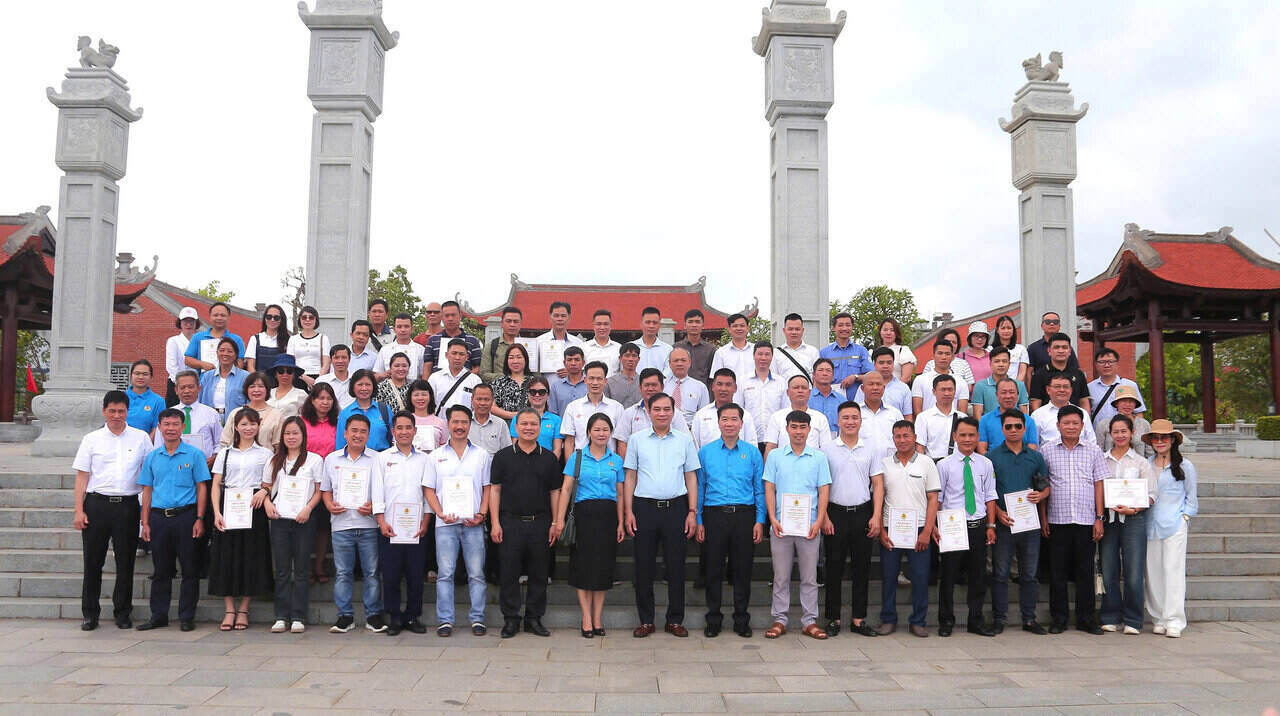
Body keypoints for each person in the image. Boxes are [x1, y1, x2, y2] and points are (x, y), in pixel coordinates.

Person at [623, 392, 700, 638]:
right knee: (643, 567)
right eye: (657, 409)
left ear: (673, 412)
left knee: (676, 566)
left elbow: (691, 477)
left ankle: (674, 619)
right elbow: (630, 477)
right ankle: (646, 620)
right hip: (644, 508)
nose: (662, 413)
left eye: (667, 409)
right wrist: (628, 511)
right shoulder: (636, 440)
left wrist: (691, 511)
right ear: (649, 411)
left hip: (676, 508)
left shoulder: (684, 440)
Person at [73, 391, 151, 630]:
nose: (117, 416)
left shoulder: (141, 438)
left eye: (121, 411)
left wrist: (145, 517)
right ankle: (90, 613)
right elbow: (82, 477)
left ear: (128, 412)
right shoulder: (91, 439)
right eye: (112, 411)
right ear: (104, 411)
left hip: (127, 506)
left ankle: (123, 612)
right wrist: (79, 510)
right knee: (92, 562)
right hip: (97, 505)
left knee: (126, 562)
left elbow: (148, 478)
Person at [490, 408, 563, 638]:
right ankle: (511, 619)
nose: (529, 428)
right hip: (509, 522)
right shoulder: (503, 457)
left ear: (540, 428)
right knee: (509, 573)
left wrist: (555, 522)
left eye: (533, 424)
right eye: (524, 424)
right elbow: (495, 490)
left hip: (540, 523)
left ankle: (534, 618)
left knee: (539, 573)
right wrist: (494, 522)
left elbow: (555, 492)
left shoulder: (549, 458)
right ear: (516, 427)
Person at [136, 408, 211, 631]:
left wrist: (199, 518)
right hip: (159, 518)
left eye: (175, 424)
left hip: (186, 517)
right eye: (166, 424)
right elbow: (147, 490)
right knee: (161, 570)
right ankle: (158, 615)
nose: (170, 428)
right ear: (159, 427)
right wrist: (145, 522)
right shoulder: (152, 457)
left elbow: (201, 488)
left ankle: (187, 616)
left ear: (182, 427)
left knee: (190, 569)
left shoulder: (194, 455)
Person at [695, 402, 765, 638]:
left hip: (744, 515)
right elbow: (701, 488)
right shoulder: (706, 452)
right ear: (718, 423)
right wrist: (699, 519)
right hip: (714, 515)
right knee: (713, 568)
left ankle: (741, 619)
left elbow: (759, 489)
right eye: (725, 419)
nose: (729, 423)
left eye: (734, 419)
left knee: (742, 569)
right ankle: (713, 618)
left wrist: (759, 519)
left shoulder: (752, 452)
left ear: (741, 423)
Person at [424, 405, 493, 637]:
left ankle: (477, 618)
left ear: (470, 424)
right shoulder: (436, 456)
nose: (460, 426)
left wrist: (482, 514)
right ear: (448, 424)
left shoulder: (481, 455)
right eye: (455, 422)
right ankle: (445, 620)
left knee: (476, 573)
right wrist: (440, 513)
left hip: (473, 524)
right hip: (445, 525)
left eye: (464, 422)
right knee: (445, 573)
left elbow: (487, 488)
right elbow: (429, 490)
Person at [763, 410, 831, 640]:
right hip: (781, 525)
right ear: (787, 428)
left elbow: (823, 491)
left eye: (803, 427)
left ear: (809, 430)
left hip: (809, 526)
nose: (798, 431)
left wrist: (820, 520)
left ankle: (809, 620)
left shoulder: (819, 457)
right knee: (781, 576)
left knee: (809, 577)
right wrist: (772, 518)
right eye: (794, 427)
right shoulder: (775, 456)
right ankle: (780, 619)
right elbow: (769, 488)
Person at [1040, 405, 1108, 634]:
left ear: (1082, 426)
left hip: (1085, 519)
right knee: (1057, 572)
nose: (1070, 427)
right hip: (1057, 519)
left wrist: (1099, 517)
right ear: (1058, 425)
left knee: (1084, 571)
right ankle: (1059, 618)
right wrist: (1044, 518)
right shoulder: (1046, 450)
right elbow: (1043, 486)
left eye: (1075, 423)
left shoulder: (1093, 450)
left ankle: (1086, 618)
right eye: (1066, 423)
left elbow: (1099, 483)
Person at [556, 413, 625, 637]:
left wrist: (621, 522)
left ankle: (598, 618)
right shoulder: (576, 458)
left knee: (603, 568)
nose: (601, 433)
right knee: (583, 567)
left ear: (611, 433)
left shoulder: (616, 460)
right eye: (597, 429)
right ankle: (586, 617)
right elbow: (566, 489)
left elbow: (621, 493)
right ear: (588, 432)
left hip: (608, 517)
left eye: (605, 429)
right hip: (583, 517)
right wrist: (559, 519)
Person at [821, 402, 884, 637]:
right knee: (833, 567)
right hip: (834, 513)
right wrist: (824, 515)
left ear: (860, 420)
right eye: (845, 417)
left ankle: (859, 619)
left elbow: (878, 483)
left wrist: (876, 515)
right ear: (838, 420)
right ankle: (833, 618)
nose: (850, 421)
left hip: (862, 512)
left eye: (854, 417)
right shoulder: (827, 448)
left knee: (862, 568)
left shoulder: (872, 448)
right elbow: (822, 485)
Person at [208, 408, 274, 631]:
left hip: (253, 507)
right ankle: (229, 609)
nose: (249, 428)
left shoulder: (265, 454)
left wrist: (264, 492)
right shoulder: (226, 453)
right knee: (226, 557)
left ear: (259, 426)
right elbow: (216, 483)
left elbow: (270, 482)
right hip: (229, 506)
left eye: (253, 424)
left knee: (251, 557)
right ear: (236, 426)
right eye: (244, 424)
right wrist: (216, 512)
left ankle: (244, 608)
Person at [321, 414, 386, 633]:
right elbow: (326, 490)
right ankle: (345, 616)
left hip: (369, 525)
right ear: (345, 433)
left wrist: (374, 506)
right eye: (354, 431)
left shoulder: (378, 459)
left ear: (369, 435)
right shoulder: (332, 460)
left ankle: (374, 615)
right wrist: (329, 505)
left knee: (372, 572)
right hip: (341, 525)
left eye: (363, 431)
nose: (358, 435)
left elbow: (383, 490)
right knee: (343, 573)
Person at [933, 417, 998, 637]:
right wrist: (937, 525)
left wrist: (991, 524)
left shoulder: (985, 464)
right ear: (955, 437)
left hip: (978, 525)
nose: (967, 439)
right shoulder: (944, 465)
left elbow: (990, 496)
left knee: (978, 576)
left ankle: (975, 620)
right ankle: (946, 620)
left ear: (977, 436)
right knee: (949, 576)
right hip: (953, 526)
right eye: (963, 435)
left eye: (971, 435)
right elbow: (939, 498)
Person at [987, 409, 1050, 634]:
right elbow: (987, 492)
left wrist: (1041, 496)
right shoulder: (992, 457)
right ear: (1002, 429)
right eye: (1008, 426)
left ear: (1024, 428)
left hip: (1030, 523)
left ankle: (1029, 619)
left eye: (1018, 426)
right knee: (1001, 573)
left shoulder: (1035, 456)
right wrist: (997, 514)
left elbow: (1045, 485)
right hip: (1005, 522)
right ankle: (999, 619)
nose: (1013, 430)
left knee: (1029, 574)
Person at [876, 420, 939, 637]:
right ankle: (888, 618)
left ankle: (918, 620)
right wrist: (882, 531)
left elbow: (933, 498)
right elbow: (879, 497)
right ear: (893, 438)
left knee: (920, 577)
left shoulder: (927, 463)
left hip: (920, 527)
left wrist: (927, 531)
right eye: (898, 436)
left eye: (906, 435)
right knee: (889, 576)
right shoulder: (883, 464)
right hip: (890, 527)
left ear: (914, 437)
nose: (902, 440)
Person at [262, 416, 324, 633]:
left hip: (303, 519)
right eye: (287, 433)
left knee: (301, 569)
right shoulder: (273, 461)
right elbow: (266, 488)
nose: (291, 437)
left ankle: (298, 616)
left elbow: (319, 491)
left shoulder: (314, 460)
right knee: (281, 569)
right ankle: (281, 616)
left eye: (295, 433)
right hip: (279, 519)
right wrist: (267, 504)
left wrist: (308, 508)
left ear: (303, 436)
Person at [372, 412, 432, 636]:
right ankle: (394, 616)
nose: (404, 431)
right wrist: (380, 520)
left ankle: (413, 616)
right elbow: (377, 490)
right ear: (393, 431)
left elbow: (428, 493)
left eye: (408, 427)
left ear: (415, 430)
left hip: (417, 526)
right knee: (391, 573)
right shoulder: (382, 458)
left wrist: (426, 521)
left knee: (416, 574)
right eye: (400, 428)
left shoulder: (425, 459)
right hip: (390, 526)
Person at [1099, 414, 1158, 635]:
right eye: (1116, 431)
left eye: (1124, 431)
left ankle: (1133, 619)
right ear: (1110, 434)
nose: (1120, 435)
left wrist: (1135, 509)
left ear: (1131, 433)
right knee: (1109, 571)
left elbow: (1151, 494)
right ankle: (1110, 616)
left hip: (1134, 520)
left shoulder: (1141, 462)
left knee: (1133, 573)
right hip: (1110, 521)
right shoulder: (1102, 459)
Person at [1143, 419, 1198, 638]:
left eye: (1164, 438)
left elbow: (1192, 499)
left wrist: (1184, 518)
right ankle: (1158, 617)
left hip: (1175, 524)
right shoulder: (1145, 464)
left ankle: (1174, 619)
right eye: (1155, 438)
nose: (1159, 442)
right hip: (1149, 525)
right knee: (1153, 572)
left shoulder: (1185, 466)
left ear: (1173, 440)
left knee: (1173, 571)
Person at [301, 383, 339, 585]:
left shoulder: (338, 423)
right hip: (307, 481)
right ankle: (305, 566)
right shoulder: (303, 422)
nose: (325, 402)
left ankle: (319, 565)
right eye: (321, 398)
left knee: (324, 527)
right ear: (312, 400)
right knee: (306, 526)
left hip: (330, 482)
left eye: (329, 398)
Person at [615, 368, 691, 458]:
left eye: (654, 385)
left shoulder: (675, 413)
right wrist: (629, 469)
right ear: (640, 388)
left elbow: (685, 441)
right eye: (646, 385)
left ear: (662, 387)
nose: (650, 389)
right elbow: (622, 444)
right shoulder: (629, 413)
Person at [560, 361, 624, 456]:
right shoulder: (573, 407)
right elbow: (569, 442)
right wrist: (571, 468)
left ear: (605, 381)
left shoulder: (617, 408)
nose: (595, 382)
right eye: (591, 378)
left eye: (599, 379)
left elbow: (621, 442)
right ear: (585, 380)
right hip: (581, 463)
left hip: (609, 464)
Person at [764, 375, 832, 456]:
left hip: (812, 466)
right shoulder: (777, 417)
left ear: (809, 392)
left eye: (804, 388)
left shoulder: (820, 418)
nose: (800, 391)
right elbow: (771, 447)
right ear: (788, 392)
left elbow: (826, 449)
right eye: (796, 387)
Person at [692, 369, 759, 449]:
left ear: (735, 388)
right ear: (713, 386)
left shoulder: (746, 416)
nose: (723, 389)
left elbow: (752, 448)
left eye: (728, 385)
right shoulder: (701, 415)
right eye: (719, 384)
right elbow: (695, 448)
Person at [167, 371, 222, 460]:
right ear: (176, 390)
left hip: (205, 466)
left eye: (191, 387)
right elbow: (160, 444)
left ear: (199, 388)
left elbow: (220, 442)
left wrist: (214, 458)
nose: (187, 391)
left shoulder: (211, 414)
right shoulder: (167, 415)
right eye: (182, 387)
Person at [739, 342, 785, 449]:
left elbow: (784, 411)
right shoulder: (743, 381)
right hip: (749, 438)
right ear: (754, 356)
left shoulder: (781, 381)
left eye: (767, 354)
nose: (763, 358)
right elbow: (739, 409)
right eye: (760, 354)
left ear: (772, 357)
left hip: (774, 439)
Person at [1029, 333, 1091, 412]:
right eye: (1056, 347)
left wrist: (1086, 421)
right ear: (1049, 351)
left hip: (1073, 421)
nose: (1060, 351)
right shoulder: (1039, 375)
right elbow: (1036, 403)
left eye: (1064, 347)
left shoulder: (1078, 374)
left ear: (1070, 351)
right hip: (1047, 421)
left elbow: (1084, 401)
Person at [220, 372, 283, 449]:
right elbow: (225, 442)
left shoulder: (276, 414)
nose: (256, 390)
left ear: (267, 389)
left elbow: (278, 445)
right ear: (246, 390)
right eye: (252, 386)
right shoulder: (235, 413)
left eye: (261, 386)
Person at [1032, 373, 1097, 446]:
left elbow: (1092, 443)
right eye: (1057, 387)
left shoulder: (1083, 413)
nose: (1062, 390)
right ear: (1048, 390)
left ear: (1071, 390)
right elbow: (1033, 445)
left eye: (1066, 387)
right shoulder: (1038, 415)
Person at [1088, 347, 1146, 429]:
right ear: (1096, 365)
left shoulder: (1130, 385)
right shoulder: (1090, 387)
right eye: (1102, 362)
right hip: (1099, 433)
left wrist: (1138, 432)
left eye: (1110, 361)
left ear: (1117, 363)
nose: (1107, 365)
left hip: (1124, 434)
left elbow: (1138, 412)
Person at [335, 369, 391, 452]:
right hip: (355, 460)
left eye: (368, 384)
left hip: (381, 459)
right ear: (353, 387)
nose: (364, 388)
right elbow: (340, 445)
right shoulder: (345, 413)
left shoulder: (384, 410)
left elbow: (394, 437)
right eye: (360, 384)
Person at [978, 378, 1040, 453]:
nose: (1008, 396)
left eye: (1012, 392)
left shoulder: (1028, 420)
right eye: (1004, 392)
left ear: (1017, 394)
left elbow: (1032, 446)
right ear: (997, 395)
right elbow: (981, 448)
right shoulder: (985, 420)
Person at [183, 302, 245, 375]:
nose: (219, 318)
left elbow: (240, 363)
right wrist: (202, 364)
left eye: (223, 315)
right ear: (210, 317)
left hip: (230, 381)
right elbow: (187, 360)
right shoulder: (197, 337)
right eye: (215, 315)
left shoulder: (237, 339)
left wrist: (225, 369)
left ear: (228, 317)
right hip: (204, 382)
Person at [914, 375, 966, 461]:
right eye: (943, 390)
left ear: (955, 391)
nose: (947, 393)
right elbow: (920, 447)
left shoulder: (963, 417)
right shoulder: (923, 417)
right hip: (933, 466)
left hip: (958, 465)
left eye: (950, 389)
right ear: (934, 392)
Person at [912, 341, 971, 415]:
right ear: (933, 356)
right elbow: (917, 411)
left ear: (952, 357)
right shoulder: (920, 380)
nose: (943, 357)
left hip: (953, 424)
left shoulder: (961, 382)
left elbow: (962, 412)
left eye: (947, 354)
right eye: (940, 353)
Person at [853, 347, 913, 419]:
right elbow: (855, 413)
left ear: (893, 364)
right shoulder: (863, 388)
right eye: (881, 363)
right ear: (874, 364)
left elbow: (908, 417)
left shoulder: (904, 388)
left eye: (889, 363)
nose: (885, 366)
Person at [197, 338, 248, 423]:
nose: (225, 354)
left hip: (235, 422)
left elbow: (250, 404)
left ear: (236, 355)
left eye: (230, 351)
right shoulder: (207, 376)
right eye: (222, 350)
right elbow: (198, 399)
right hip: (209, 421)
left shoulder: (245, 377)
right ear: (217, 353)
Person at [529, 301, 584, 379]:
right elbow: (532, 369)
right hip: (546, 388)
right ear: (550, 318)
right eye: (556, 316)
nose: (560, 319)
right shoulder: (538, 342)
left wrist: (571, 370)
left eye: (563, 316)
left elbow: (585, 368)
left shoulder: (578, 343)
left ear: (569, 318)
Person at [429, 338, 483, 416]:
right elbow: (429, 405)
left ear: (467, 357)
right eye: (454, 353)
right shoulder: (434, 378)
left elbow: (478, 407)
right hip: (440, 425)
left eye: (461, 354)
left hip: (466, 425)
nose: (457, 357)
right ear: (446, 355)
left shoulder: (475, 380)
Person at [821, 312, 874, 392]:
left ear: (852, 327)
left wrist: (855, 377)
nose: (844, 328)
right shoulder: (824, 353)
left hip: (856, 399)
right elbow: (818, 378)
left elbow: (872, 376)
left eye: (848, 325)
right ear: (833, 328)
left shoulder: (861, 351)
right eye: (840, 325)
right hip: (831, 398)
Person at [971, 346, 1028, 419]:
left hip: (1014, 428)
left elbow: (1024, 414)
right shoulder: (980, 386)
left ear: (1009, 364)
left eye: (1004, 361)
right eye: (997, 361)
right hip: (989, 428)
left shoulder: (1019, 385)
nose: (1001, 365)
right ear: (990, 364)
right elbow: (977, 415)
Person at [513, 375, 562, 458]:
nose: (537, 395)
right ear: (528, 394)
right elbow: (514, 445)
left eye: (542, 392)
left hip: (546, 465)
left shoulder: (556, 420)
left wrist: (550, 465)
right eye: (533, 392)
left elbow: (557, 449)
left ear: (548, 394)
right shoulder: (517, 417)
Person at [479, 306, 530, 382]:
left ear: (520, 324)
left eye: (515, 321)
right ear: (502, 323)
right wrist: (507, 378)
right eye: (508, 321)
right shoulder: (491, 346)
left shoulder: (529, 346)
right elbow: (484, 374)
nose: (512, 324)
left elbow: (536, 374)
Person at [853, 371, 903, 448]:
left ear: (883, 388)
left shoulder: (895, 413)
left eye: (879, 384)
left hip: (890, 459)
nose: (875, 388)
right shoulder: (854, 414)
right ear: (862, 388)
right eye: (871, 384)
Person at [1096, 385, 1151, 455]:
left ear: (1135, 404)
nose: (1127, 404)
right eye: (1124, 401)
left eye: (1131, 401)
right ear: (1116, 403)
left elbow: (1150, 453)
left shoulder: (1144, 424)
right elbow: (1099, 452)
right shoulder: (1103, 424)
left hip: (1139, 464)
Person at [286, 305, 330, 388]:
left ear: (316, 320)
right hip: (298, 377)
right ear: (299, 319)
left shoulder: (323, 338)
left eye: (311, 317)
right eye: (304, 317)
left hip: (318, 378)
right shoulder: (293, 339)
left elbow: (326, 363)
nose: (307, 320)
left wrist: (318, 381)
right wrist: (304, 378)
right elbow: (290, 362)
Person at [664, 347, 710, 424]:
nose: (679, 363)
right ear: (669, 364)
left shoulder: (700, 387)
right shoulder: (662, 385)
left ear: (689, 363)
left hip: (690, 430)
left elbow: (704, 416)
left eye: (683, 360)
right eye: (676, 360)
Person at [374, 313, 427, 380]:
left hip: (413, 388)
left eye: (406, 326)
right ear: (394, 329)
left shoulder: (420, 350)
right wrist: (385, 374)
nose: (403, 330)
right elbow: (377, 374)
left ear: (412, 329)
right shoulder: (385, 350)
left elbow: (423, 376)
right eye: (399, 326)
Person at [164, 307, 200, 406]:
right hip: (176, 385)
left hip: (197, 386)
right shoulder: (173, 341)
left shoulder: (201, 341)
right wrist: (182, 385)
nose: (188, 324)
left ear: (196, 323)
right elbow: (171, 366)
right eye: (185, 321)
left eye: (191, 321)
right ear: (180, 322)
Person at [1026, 311, 1079, 376]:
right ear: (1042, 326)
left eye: (1055, 322)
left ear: (1059, 326)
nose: (1051, 324)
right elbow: (1029, 372)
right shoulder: (1033, 348)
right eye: (1048, 322)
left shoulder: (1066, 348)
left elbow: (1075, 369)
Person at [490, 343, 532, 421]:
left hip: (530, 427)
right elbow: (492, 407)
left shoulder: (534, 382)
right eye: (511, 358)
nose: (515, 361)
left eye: (519, 357)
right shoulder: (499, 383)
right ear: (506, 361)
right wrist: (513, 415)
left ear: (525, 359)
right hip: (506, 427)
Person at [773, 313, 820, 382]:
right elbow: (774, 377)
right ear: (784, 330)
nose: (794, 332)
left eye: (797, 329)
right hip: (784, 392)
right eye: (790, 329)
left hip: (807, 392)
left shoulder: (813, 351)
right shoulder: (776, 353)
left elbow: (817, 377)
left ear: (802, 330)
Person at [674, 309, 716, 387]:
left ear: (703, 325)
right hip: (680, 390)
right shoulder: (675, 348)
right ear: (684, 325)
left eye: (697, 322)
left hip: (703, 391)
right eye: (690, 322)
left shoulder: (710, 349)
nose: (694, 325)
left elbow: (712, 377)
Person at [245, 304, 291, 374]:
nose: (272, 320)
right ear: (265, 319)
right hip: (259, 382)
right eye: (269, 317)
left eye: (276, 318)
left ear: (281, 320)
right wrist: (258, 382)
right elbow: (250, 366)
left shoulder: (288, 341)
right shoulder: (255, 339)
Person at [710, 313, 755, 386]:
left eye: (742, 326)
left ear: (747, 329)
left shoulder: (756, 351)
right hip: (731, 395)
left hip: (754, 394)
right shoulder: (721, 353)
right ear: (729, 329)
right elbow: (716, 379)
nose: (739, 328)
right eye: (735, 326)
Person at [125, 359, 166, 437]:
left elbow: (157, 428)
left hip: (145, 446)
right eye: (137, 373)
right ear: (131, 375)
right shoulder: (121, 397)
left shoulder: (158, 401)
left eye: (145, 374)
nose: (141, 377)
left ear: (151, 377)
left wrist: (146, 445)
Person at [468, 384, 513, 456]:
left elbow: (507, 452)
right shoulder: (464, 422)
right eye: (479, 399)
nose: (482, 403)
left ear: (492, 401)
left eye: (486, 399)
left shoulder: (500, 424)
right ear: (472, 399)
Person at [807, 359, 845, 438]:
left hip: (835, 444)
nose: (824, 373)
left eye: (828, 371)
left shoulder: (842, 400)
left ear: (833, 375)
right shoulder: (805, 398)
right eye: (821, 370)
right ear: (813, 374)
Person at [990, 315, 1030, 384]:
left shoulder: (1021, 349)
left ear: (1013, 330)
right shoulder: (989, 349)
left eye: (1009, 328)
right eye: (1003, 328)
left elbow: (1022, 372)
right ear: (997, 330)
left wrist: (1014, 387)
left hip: (1015, 389)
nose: (1006, 331)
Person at [548, 346, 588, 415]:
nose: (573, 363)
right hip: (563, 425)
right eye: (569, 360)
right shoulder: (556, 386)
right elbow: (553, 413)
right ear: (564, 363)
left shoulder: (590, 384)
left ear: (583, 363)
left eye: (577, 360)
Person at [582, 309, 622, 377]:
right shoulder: (583, 347)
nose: (602, 327)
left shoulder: (619, 348)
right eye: (598, 324)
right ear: (593, 326)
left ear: (610, 326)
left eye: (606, 324)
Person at [877, 317, 916, 385]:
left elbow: (906, 378)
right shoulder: (875, 352)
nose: (888, 333)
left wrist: (892, 390)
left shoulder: (903, 350)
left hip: (898, 392)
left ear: (896, 333)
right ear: (880, 332)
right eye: (885, 330)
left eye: (892, 330)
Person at [634, 306, 673, 372]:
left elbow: (668, 374)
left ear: (659, 325)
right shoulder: (632, 347)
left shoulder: (668, 350)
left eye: (655, 323)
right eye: (648, 322)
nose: (651, 326)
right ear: (641, 324)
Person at [317, 344, 355, 409]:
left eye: (344, 357)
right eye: (336, 358)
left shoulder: (356, 380)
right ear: (331, 360)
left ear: (349, 359)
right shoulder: (321, 381)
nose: (340, 361)